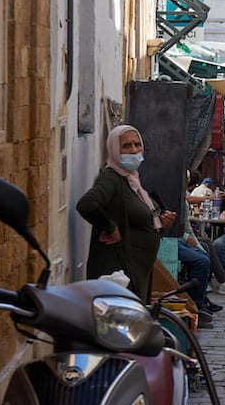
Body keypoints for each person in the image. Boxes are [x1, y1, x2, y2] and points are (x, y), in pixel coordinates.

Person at [76, 124, 177, 303]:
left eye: (137, 145)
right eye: (126, 146)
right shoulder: (111, 178)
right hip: (119, 272)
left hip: (137, 271)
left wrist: (161, 221)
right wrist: (110, 227)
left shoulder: (132, 180)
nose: (134, 150)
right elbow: (86, 204)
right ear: (114, 149)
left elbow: (137, 218)